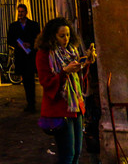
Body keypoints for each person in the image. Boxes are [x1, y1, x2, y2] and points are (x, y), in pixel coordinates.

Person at [35, 17, 96, 164]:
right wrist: (65, 72)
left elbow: (78, 77)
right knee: (67, 154)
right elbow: (46, 82)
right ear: (52, 36)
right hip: (60, 109)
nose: (66, 39)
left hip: (76, 106)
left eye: (68, 35)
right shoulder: (44, 54)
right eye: (62, 36)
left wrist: (87, 62)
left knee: (77, 152)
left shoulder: (71, 51)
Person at [8, 4, 41, 112]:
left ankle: (32, 103)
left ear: (26, 12)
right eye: (19, 11)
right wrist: (17, 44)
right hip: (21, 56)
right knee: (26, 81)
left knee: (30, 80)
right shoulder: (13, 26)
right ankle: (29, 102)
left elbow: (38, 39)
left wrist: (30, 44)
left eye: (22, 12)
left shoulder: (34, 25)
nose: (20, 14)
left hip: (30, 56)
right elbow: (10, 40)